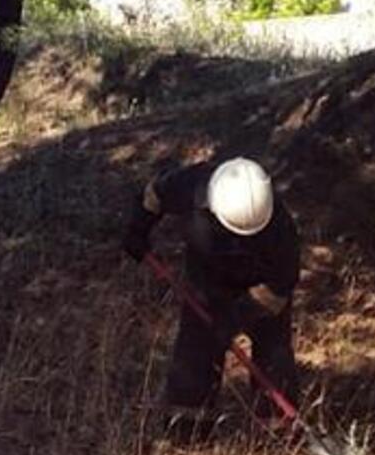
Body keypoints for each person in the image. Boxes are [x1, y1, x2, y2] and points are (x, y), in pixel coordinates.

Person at [122, 156, 301, 437]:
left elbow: (277, 291)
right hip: (206, 280)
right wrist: (138, 228)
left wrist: (235, 318)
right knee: (195, 353)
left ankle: (278, 433)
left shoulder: (281, 231)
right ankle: (186, 428)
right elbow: (154, 195)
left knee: (273, 355)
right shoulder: (190, 185)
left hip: (258, 287)